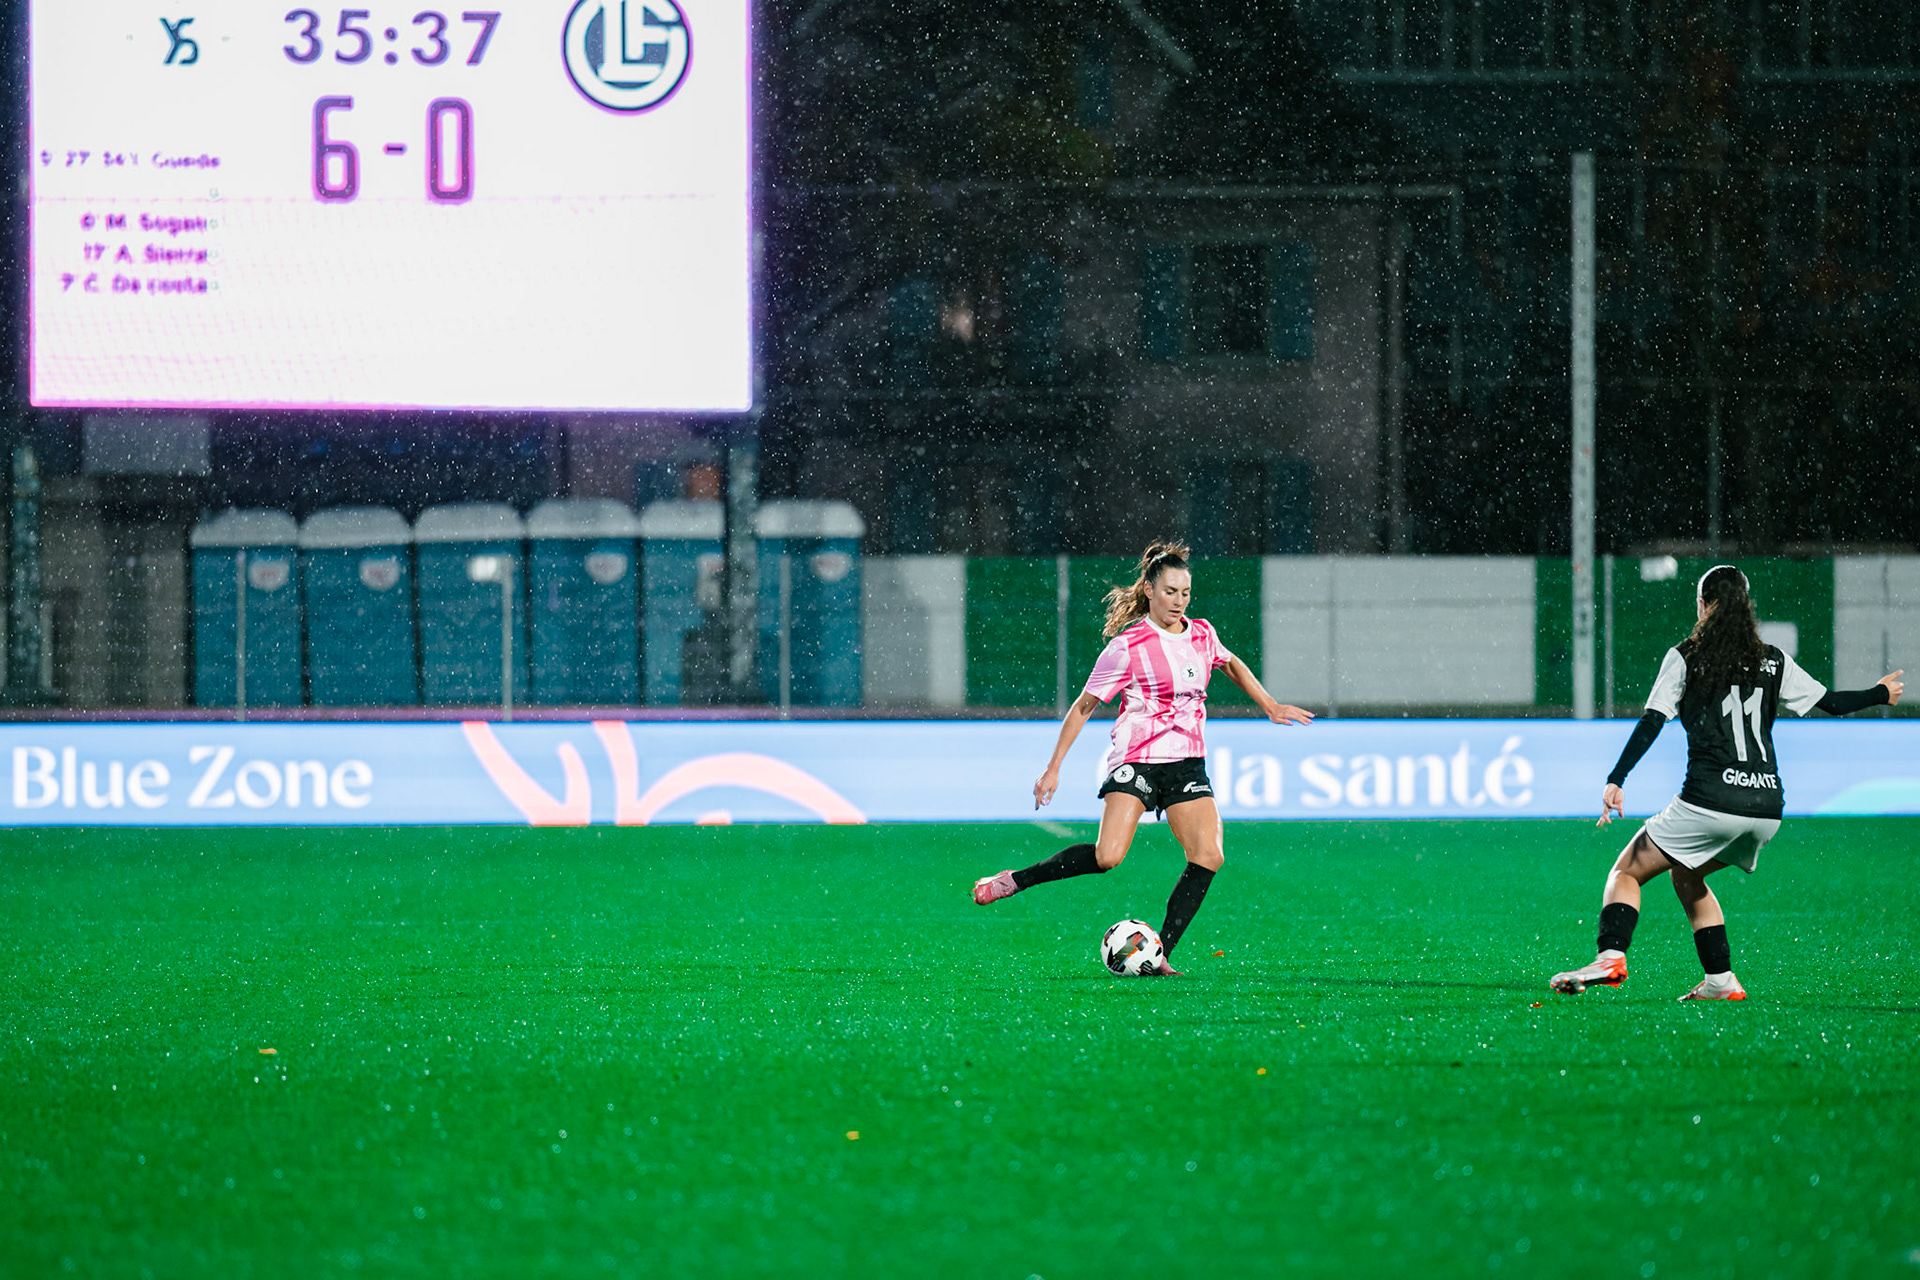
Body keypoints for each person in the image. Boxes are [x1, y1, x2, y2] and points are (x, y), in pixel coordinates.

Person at [1551, 564, 1903, 1000]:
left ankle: (1610, 957)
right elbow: (1829, 702)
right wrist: (1879, 693)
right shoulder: (1772, 659)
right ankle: (1720, 981)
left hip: (1709, 800)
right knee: (1686, 873)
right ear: (1746, 607)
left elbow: (1652, 721)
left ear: (1702, 606)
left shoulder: (1685, 655)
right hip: (1766, 808)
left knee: (1625, 871)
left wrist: (1617, 778)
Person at [971, 540, 1313, 973]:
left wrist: (1270, 705)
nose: (1178, 601)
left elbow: (1230, 663)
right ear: (1149, 590)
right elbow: (1084, 705)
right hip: (1137, 758)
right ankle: (1013, 881)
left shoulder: (1203, 634)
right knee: (1107, 856)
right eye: (1170, 591)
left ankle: (1161, 953)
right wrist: (1053, 767)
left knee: (1209, 854)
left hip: (1186, 760)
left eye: (1185, 593)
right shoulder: (1128, 646)